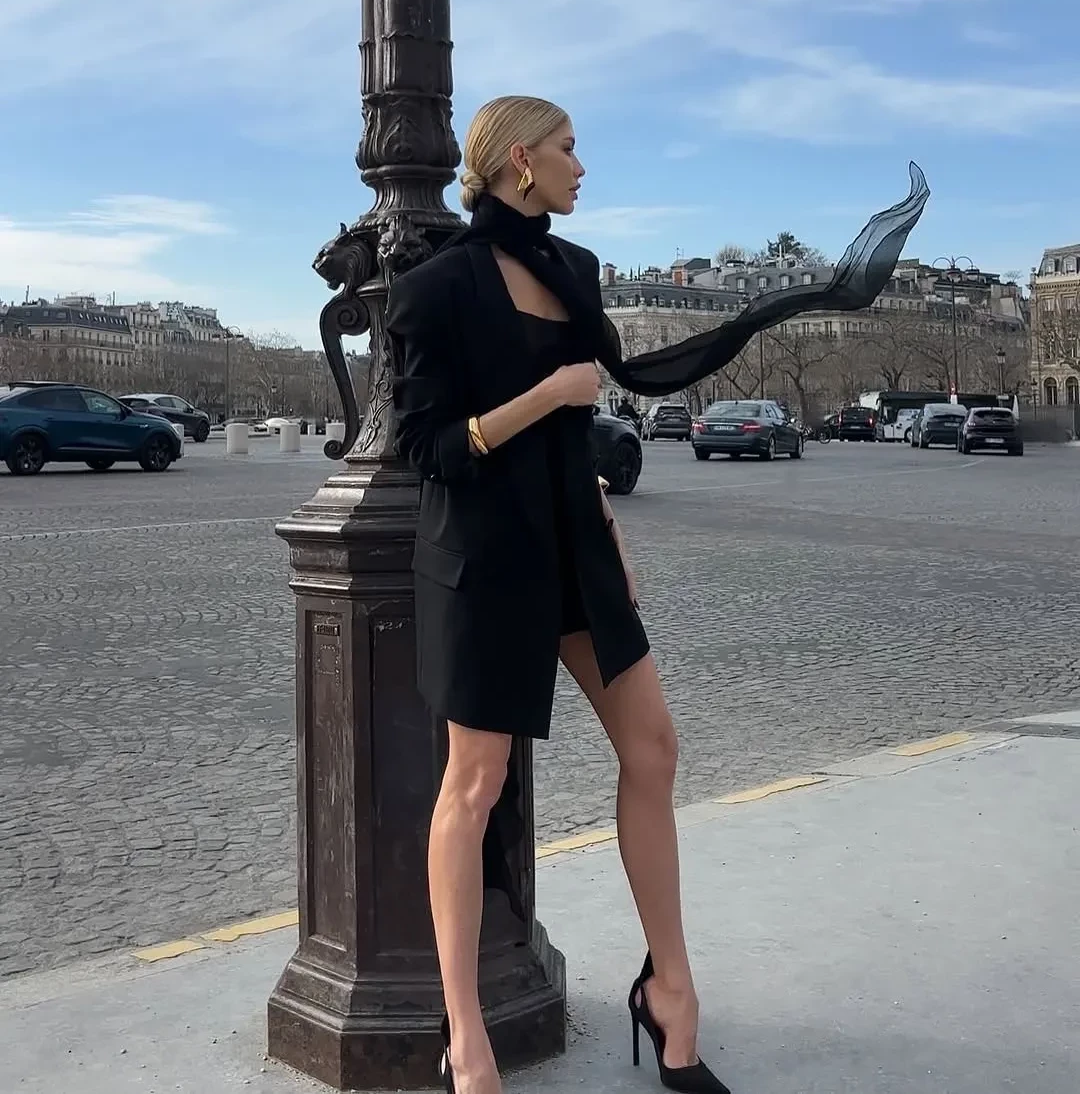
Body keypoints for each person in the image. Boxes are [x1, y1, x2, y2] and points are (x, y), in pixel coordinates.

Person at [386, 96, 930, 1094]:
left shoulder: (575, 268)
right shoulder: (434, 289)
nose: (581, 164)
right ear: (520, 161)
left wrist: (603, 512)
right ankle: (468, 1041)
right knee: (474, 784)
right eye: (568, 147)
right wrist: (545, 397)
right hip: (484, 562)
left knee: (655, 749)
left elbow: (615, 394)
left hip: (575, 548)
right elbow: (425, 448)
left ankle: (671, 987)